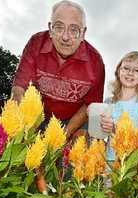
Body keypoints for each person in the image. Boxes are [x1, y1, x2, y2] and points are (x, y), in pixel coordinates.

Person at [11, 0, 105, 140]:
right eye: (59, 27)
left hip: (73, 120)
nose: (65, 37)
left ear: (83, 33)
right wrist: (26, 126)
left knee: (79, 146)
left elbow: (90, 106)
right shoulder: (36, 43)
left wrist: (63, 135)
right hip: (37, 115)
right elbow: (19, 88)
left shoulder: (96, 62)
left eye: (74, 30)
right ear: (50, 29)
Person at [100, 51, 138, 162]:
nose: (130, 73)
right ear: (118, 71)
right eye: (126, 68)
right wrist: (92, 117)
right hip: (110, 161)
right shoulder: (109, 102)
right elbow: (100, 135)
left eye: (136, 70)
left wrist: (114, 129)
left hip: (132, 162)